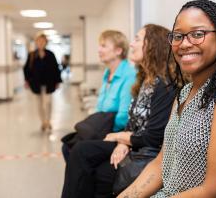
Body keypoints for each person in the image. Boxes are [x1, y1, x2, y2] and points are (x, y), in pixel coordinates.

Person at [118, 0, 216, 198]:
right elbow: (160, 163)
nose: (185, 43)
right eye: (178, 36)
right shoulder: (184, 94)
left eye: (198, 34)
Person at [61, 24, 178, 198]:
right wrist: (122, 143)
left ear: (153, 45)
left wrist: (120, 138)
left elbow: (153, 137)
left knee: (94, 168)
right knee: (78, 150)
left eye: (137, 39)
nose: (131, 45)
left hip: (145, 150)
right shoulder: (144, 80)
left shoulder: (164, 85)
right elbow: (132, 122)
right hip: (133, 143)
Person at [61, 30, 136, 161]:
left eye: (104, 46)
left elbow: (124, 117)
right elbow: (101, 106)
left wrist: (102, 133)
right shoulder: (108, 73)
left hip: (115, 131)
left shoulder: (129, 75)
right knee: (67, 144)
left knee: (76, 150)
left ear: (118, 51)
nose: (99, 50)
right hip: (103, 125)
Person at [23, 33, 62, 131]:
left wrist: (58, 81)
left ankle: (48, 121)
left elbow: (56, 68)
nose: (41, 43)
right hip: (36, 84)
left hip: (49, 83)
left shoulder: (50, 54)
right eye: (39, 41)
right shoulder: (32, 55)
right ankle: (43, 122)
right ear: (36, 42)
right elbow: (26, 69)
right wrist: (27, 80)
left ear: (46, 42)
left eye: (43, 41)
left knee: (48, 103)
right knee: (39, 104)